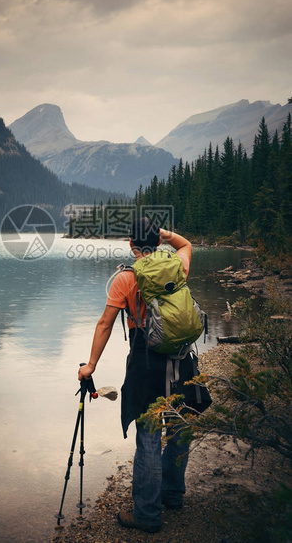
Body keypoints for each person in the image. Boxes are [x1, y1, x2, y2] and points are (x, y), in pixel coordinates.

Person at [78, 218, 196, 534]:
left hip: (146, 365)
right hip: (182, 362)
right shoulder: (177, 267)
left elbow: (105, 324)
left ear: (131, 245)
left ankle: (147, 513)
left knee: (148, 435)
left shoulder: (124, 279)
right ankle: (173, 495)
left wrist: (91, 365)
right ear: (157, 243)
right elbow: (186, 245)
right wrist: (167, 235)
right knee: (179, 427)